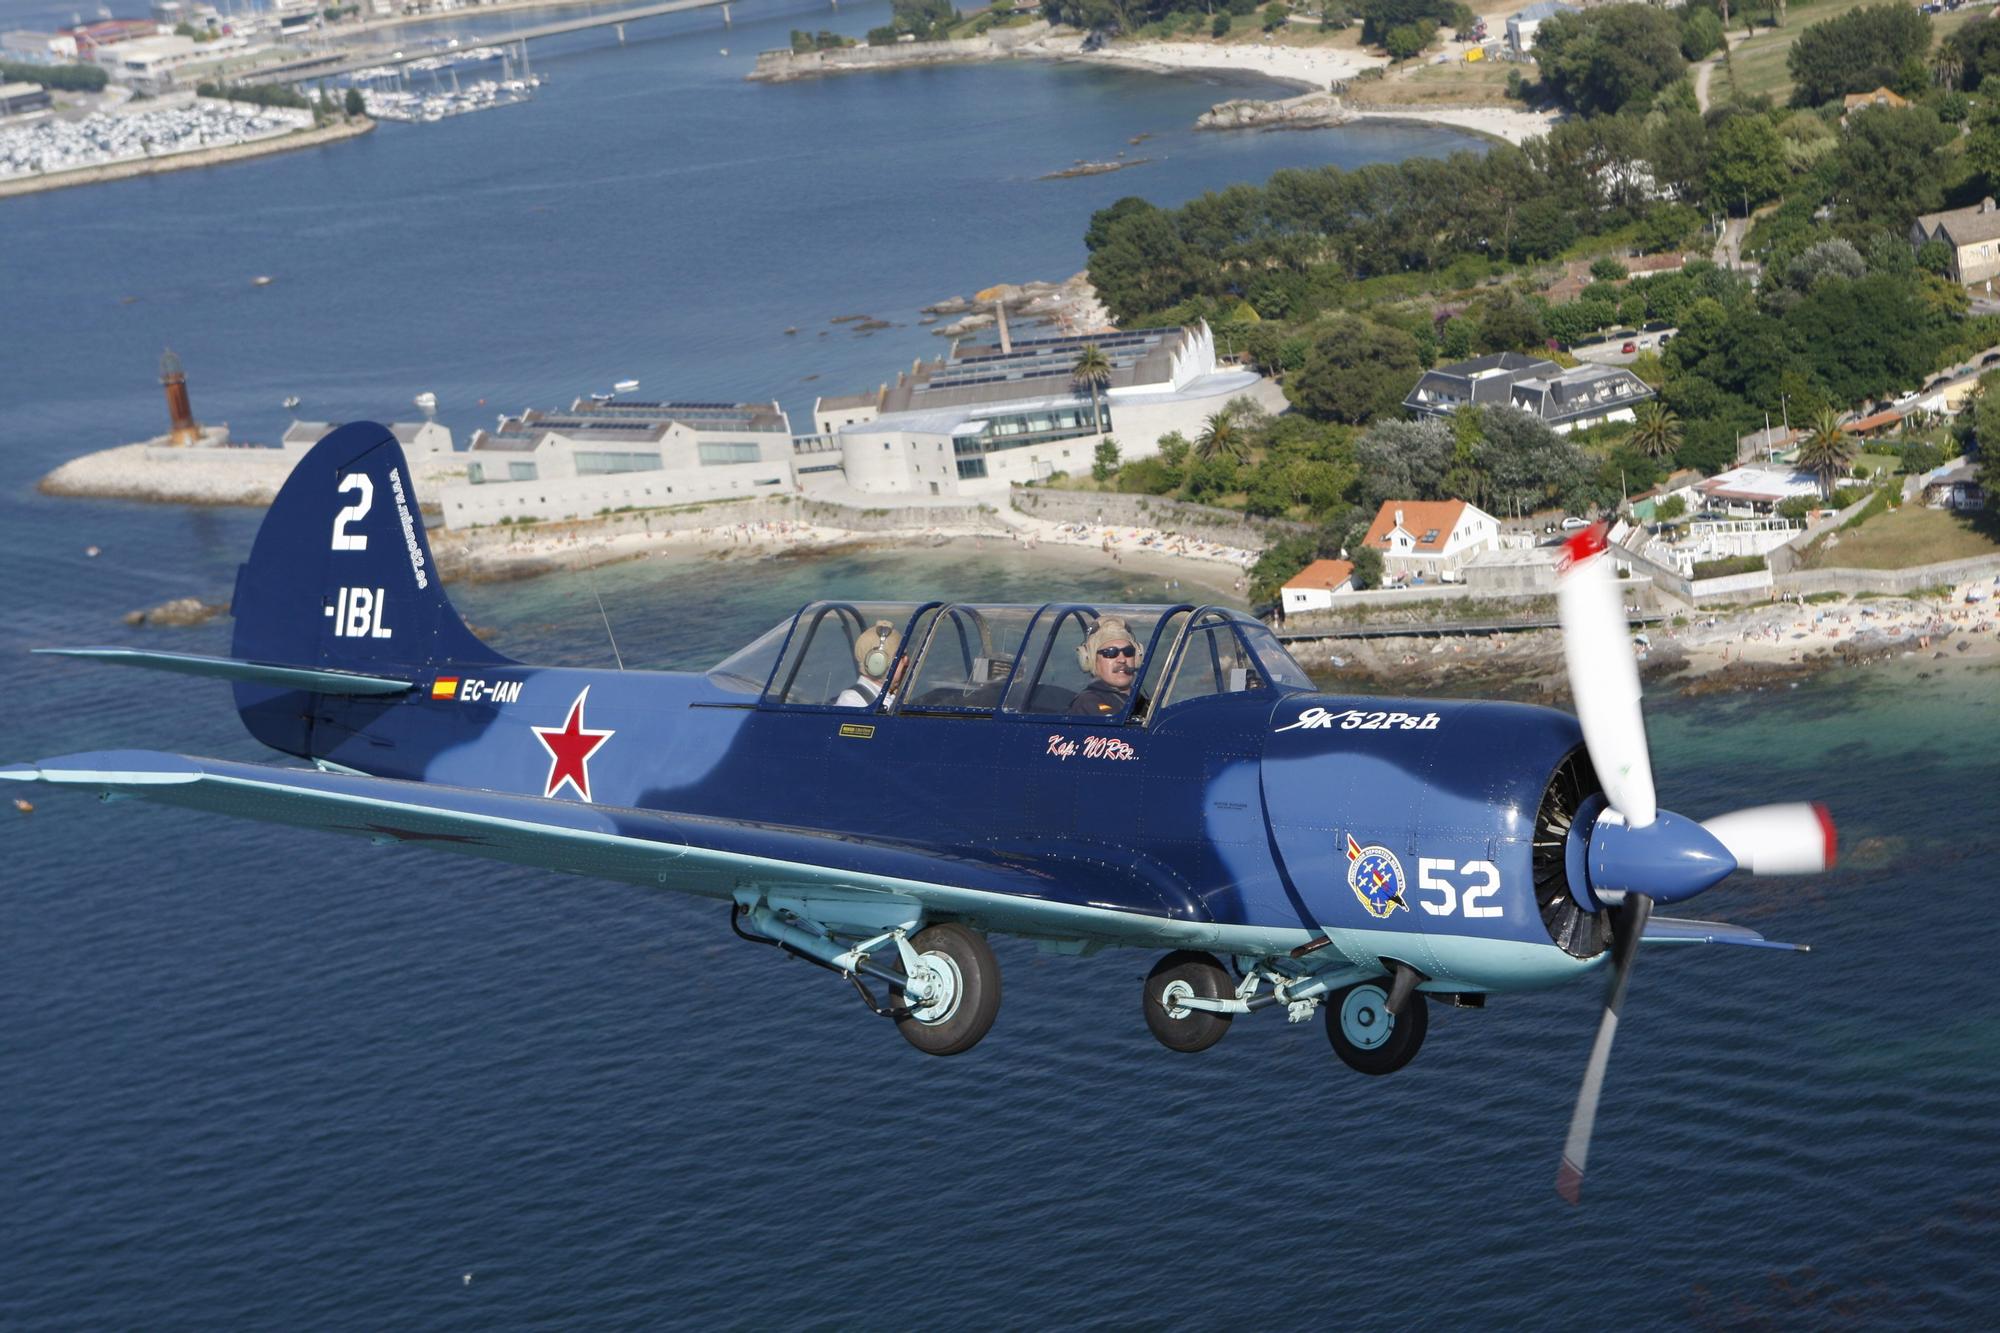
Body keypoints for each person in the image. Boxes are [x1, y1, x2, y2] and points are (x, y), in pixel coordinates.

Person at [1068, 617, 1143, 718]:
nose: (1122, 659)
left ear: (1137, 658)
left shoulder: (1142, 701)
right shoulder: (1088, 703)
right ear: (1090, 660)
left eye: (1128, 652)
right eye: (1110, 653)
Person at [836, 620, 902, 708]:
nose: (907, 661)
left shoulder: (892, 695)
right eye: (901, 656)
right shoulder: (852, 701)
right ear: (878, 662)